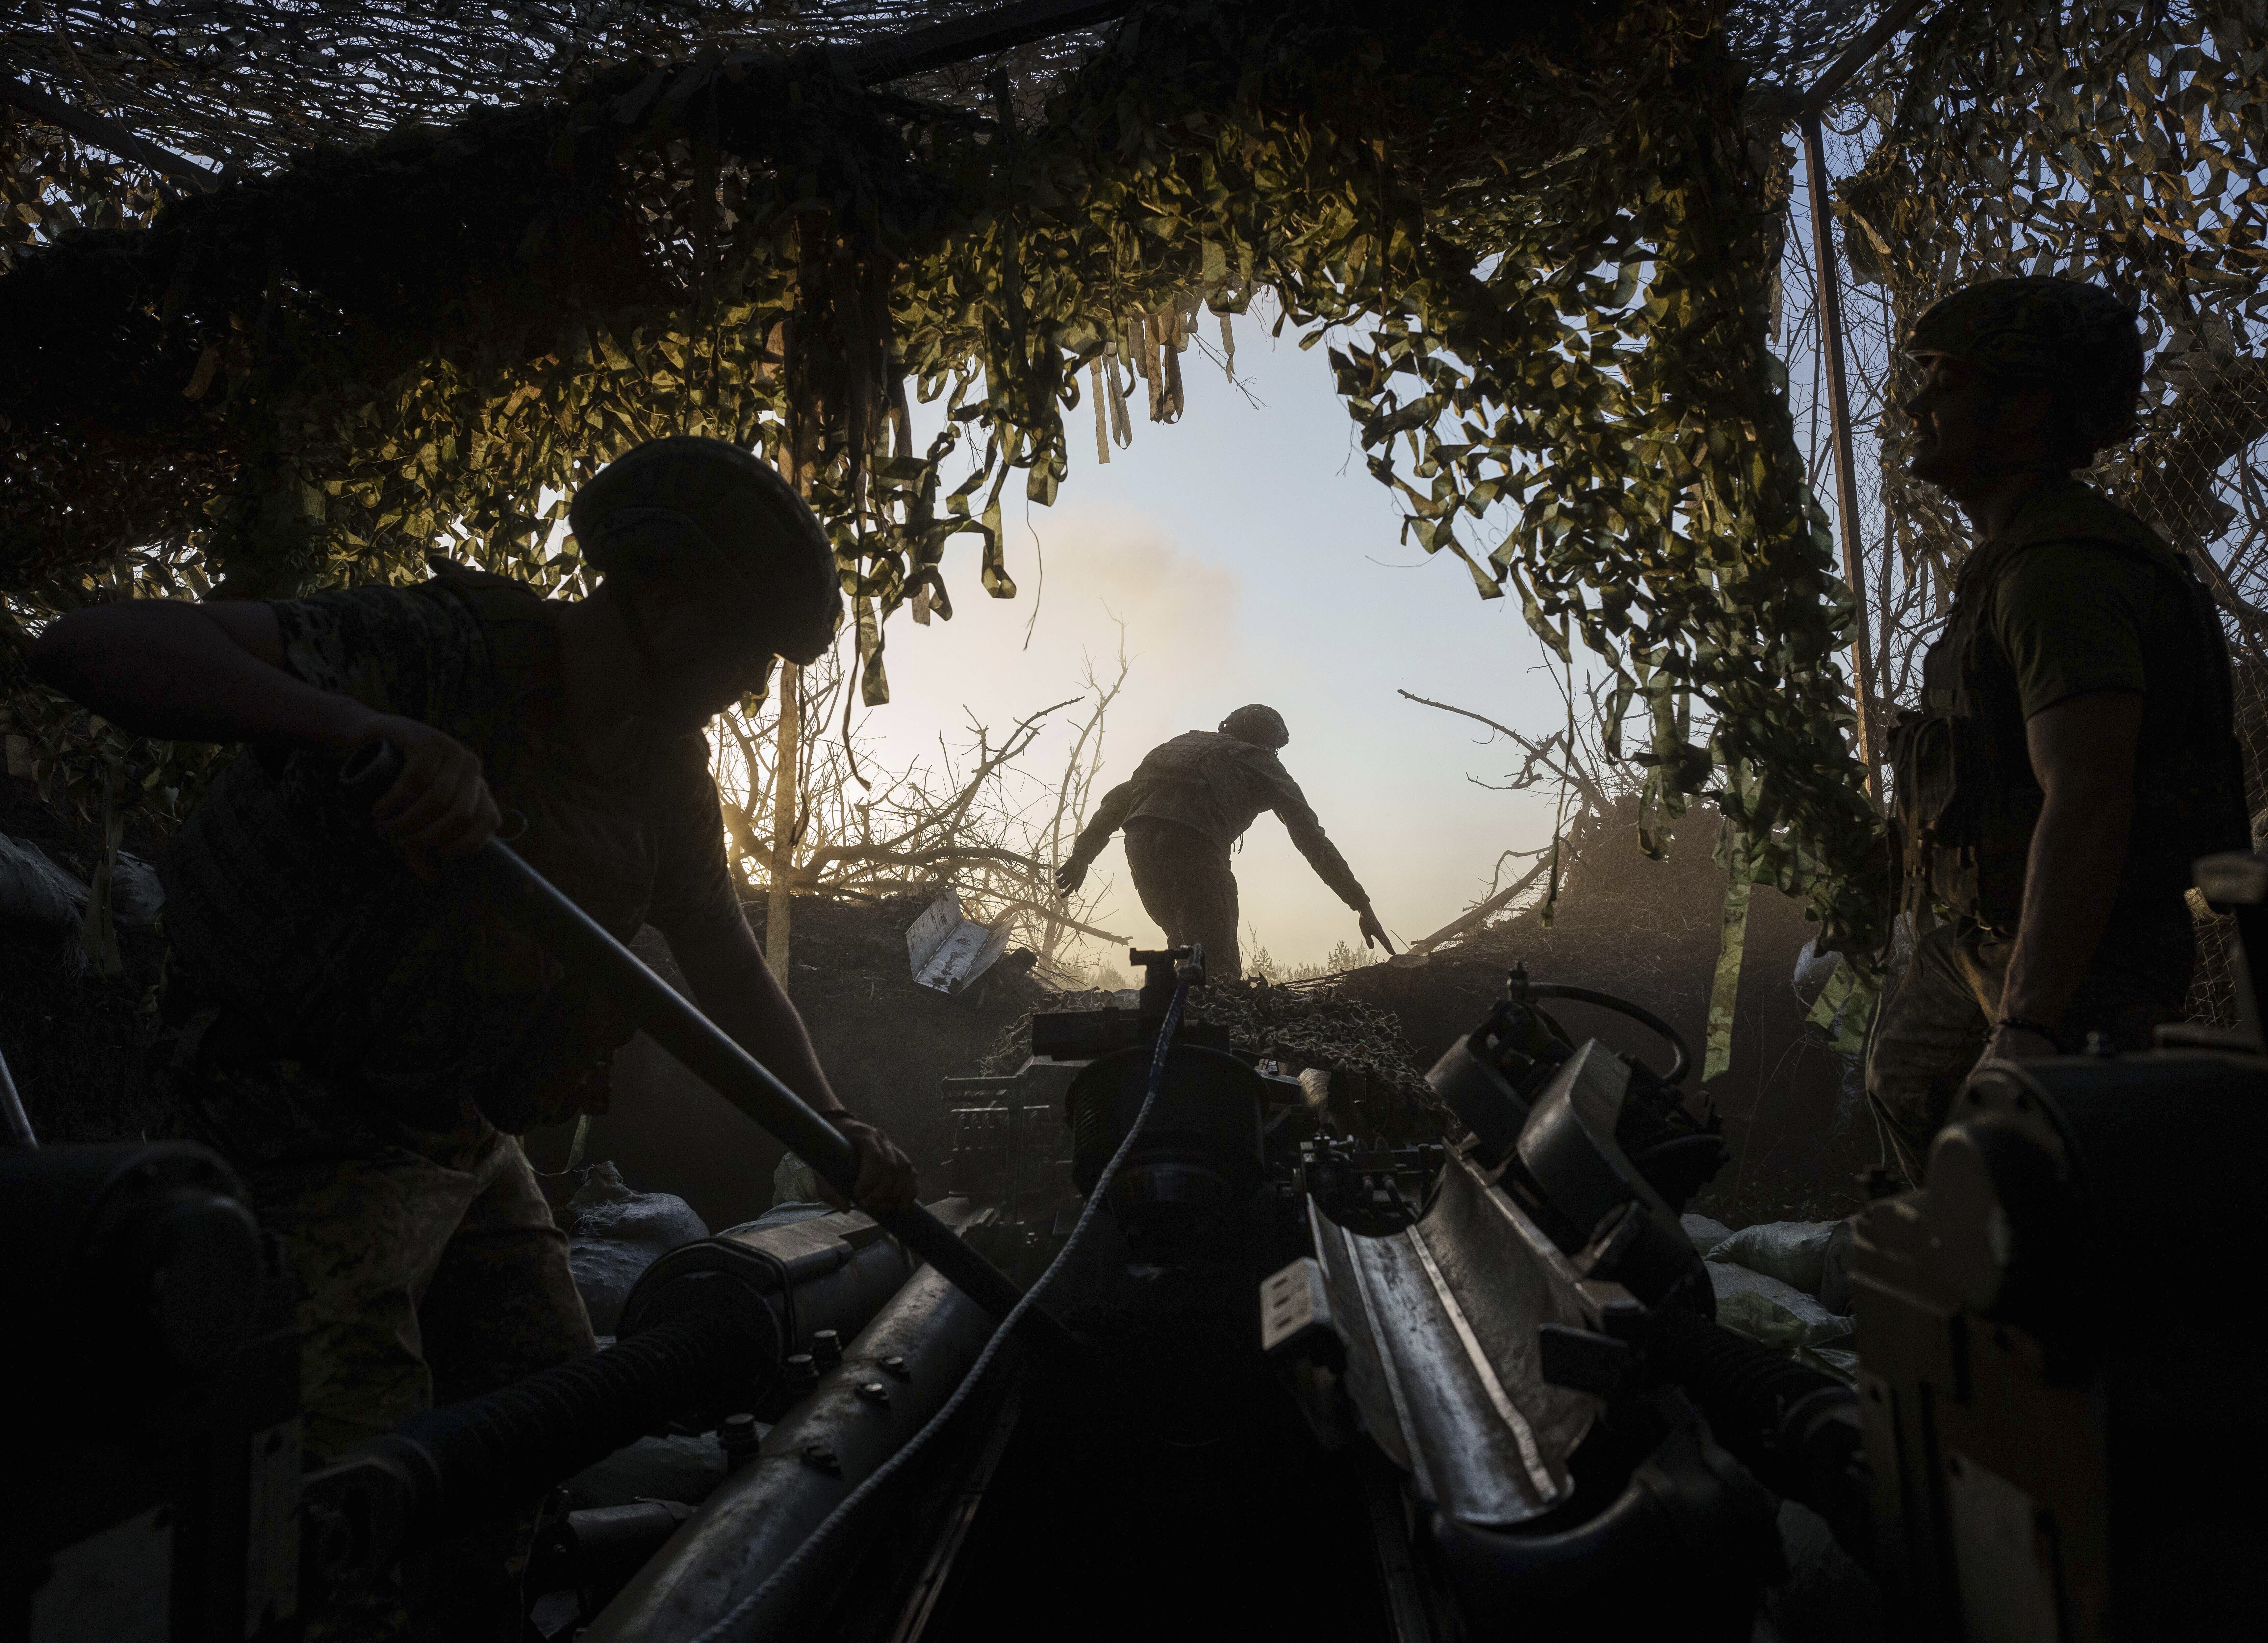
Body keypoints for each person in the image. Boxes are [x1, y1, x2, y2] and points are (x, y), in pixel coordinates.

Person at [30, 436, 915, 1636]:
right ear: (658, 601)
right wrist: (354, 731)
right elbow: (92, 643)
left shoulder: (664, 774)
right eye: (745, 650)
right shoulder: (442, 652)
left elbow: (724, 962)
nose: (753, 687)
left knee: (549, 1406)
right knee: (354, 1497)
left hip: (458, 1134)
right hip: (291, 1123)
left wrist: (831, 1122)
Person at [1869, 277, 2249, 1182]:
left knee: (2060, 1204)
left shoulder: (2061, 574)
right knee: (1914, 1102)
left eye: (1943, 382)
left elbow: (2086, 793)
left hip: (2075, 966)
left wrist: (2028, 1024)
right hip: (1983, 938)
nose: (1916, 405)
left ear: (2023, 407)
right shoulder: (2012, 564)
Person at [1056, 704, 1392, 982]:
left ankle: (1177, 1039)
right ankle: (1220, 1052)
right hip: (1194, 850)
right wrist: (1359, 903)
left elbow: (1117, 802)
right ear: (1268, 743)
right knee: (1218, 969)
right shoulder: (1259, 761)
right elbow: (1310, 836)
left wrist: (1081, 857)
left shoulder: (1176, 747)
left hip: (1141, 851)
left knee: (1185, 950)